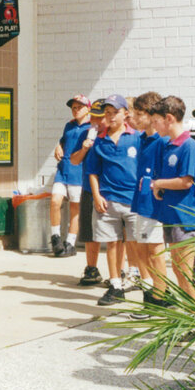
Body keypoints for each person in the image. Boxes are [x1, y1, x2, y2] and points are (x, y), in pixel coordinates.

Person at [84, 94, 143, 306]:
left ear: (126, 113)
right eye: (107, 113)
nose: (111, 117)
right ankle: (115, 285)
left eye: (115, 112)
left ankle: (143, 282)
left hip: (133, 200)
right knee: (112, 243)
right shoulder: (100, 141)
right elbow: (92, 171)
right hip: (108, 200)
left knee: (137, 243)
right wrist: (97, 195)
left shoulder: (137, 137)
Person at [151, 96, 195, 304]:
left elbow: (186, 181)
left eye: (156, 120)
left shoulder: (188, 145)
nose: (154, 125)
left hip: (185, 219)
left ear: (169, 118)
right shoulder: (167, 144)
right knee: (180, 273)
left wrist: (160, 183)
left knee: (186, 273)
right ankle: (192, 318)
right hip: (170, 216)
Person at [126, 92, 170, 317]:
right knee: (140, 248)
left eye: (140, 113)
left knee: (154, 250)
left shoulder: (161, 141)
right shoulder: (141, 138)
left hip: (154, 203)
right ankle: (153, 289)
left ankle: (160, 297)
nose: (136, 117)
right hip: (140, 200)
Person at [70, 99, 107, 286]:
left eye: (100, 117)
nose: (96, 121)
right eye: (93, 117)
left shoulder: (114, 136)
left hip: (110, 189)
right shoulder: (87, 134)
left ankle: (122, 273)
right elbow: (74, 160)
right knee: (90, 231)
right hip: (88, 188)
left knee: (118, 235)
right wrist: (84, 148)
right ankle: (91, 268)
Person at [50, 95, 92, 257]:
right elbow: (63, 141)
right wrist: (58, 146)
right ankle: (55, 236)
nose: (76, 110)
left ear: (87, 109)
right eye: (73, 108)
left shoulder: (90, 128)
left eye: (79, 107)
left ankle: (70, 242)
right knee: (55, 201)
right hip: (63, 169)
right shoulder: (69, 125)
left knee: (75, 208)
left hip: (78, 172)